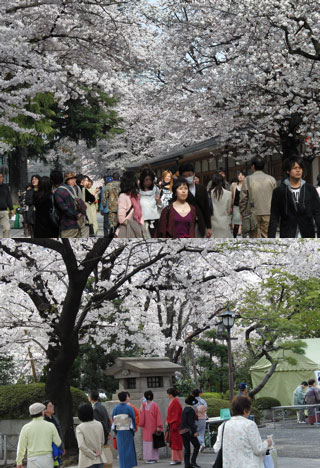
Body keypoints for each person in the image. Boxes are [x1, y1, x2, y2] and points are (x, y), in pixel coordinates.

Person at [213, 396, 271, 468]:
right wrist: (267, 443)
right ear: (245, 410)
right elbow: (258, 449)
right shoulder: (249, 425)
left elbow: (217, 448)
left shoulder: (223, 426)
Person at [268, 157, 320, 238]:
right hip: (287, 233)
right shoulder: (279, 191)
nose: (298, 170)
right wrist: (271, 237)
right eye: (294, 168)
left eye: (300, 168)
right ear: (288, 171)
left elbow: (317, 213)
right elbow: (274, 216)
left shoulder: (310, 189)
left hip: (307, 233)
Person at [239, 156, 276, 238]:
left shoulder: (248, 180)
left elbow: (243, 198)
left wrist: (242, 212)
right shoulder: (271, 179)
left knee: (255, 238)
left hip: (253, 213)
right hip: (268, 212)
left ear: (253, 166)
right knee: (267, 237)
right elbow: (276, 198)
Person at [16, 402, 61, 468]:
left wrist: (19, 462)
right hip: (47, 459)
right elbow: (58, 442)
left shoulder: (26, 428)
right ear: (42, 413)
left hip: (32, 460)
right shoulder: (50, 426)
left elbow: (21, 447)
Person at [179, 163, 212, 238]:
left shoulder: (202, 188)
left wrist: (209, 227)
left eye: (190, 175)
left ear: (194, 174)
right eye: (185, 176)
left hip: (200, 223)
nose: (188, 177)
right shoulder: (180, 189)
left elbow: (206, 208)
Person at [54, 171, 87, 238]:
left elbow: (64, 208)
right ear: (66, 180)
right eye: (71, 179)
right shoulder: (69, 189)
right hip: (75, 222)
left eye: (74, 178)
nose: (73, 180)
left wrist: (78, 214)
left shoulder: (76, 188)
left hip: (69, 224)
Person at [76, 403, 107, 468]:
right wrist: (99, 451)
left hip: (87, 460)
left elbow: (81, 446)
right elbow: (102, 441)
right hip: (100, 458)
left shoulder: (80, 427)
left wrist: (92, 454)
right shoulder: (99, 424)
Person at [112, 391, 137, 468]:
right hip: (128, 431)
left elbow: (113, 420)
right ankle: (129, 465)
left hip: (119, 432)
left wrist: (115, 431)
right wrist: (133, 430)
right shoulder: (129, 408)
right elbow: (133, 418)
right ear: (126, 397)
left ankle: (122, 465)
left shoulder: (115, 408)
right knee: (129, 449)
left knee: (121, 450)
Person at [116, 171, 144, 238]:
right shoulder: (123, 196)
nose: (139, 181)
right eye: (137, 179)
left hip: (137, 230)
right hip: (126, 231)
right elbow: (121, 219)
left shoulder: (136, 196)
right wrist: (135, 226)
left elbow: (141, 214)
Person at [139, 390, 163, 464]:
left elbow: (158, 416)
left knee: (153, 442)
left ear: (148, 396)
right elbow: (140, 412)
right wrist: (141, 403)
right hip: (146, 427)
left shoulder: (155, 405)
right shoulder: (144, 405)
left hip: (153, 426)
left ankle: (153, 457)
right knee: (147, 442)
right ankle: (148, 457)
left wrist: (159, 426)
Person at [139, 168, 162, 238]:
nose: (148, 182)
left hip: (155, 219)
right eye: (146, 180)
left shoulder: (156, 189)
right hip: (143, 221)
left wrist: (158, 200)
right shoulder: (137, 191)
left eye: (150, 180)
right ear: (142, 180)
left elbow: (160, 206)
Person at [180, 395, 200, 468]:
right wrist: (195, 431)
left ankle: (187, 464)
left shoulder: (185, 409)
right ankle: (193, 461)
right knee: (197, 445)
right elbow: (191, 422)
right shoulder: (191, 410)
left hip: (182, 430)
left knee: (187, 448)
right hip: (189, 431)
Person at [210, 173, 232, 238]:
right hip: (224, 222)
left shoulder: (209, 193)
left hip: (213, 223)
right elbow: (228, 209)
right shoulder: (228, 193)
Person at [166, 388, 183, 465]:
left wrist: (169, 420)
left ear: (171, 394)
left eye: (168, 394)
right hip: (173, 423)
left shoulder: (175, 402)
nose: (167, 395)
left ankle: (175, 458)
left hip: (175, 424)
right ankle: (178, 458)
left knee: (175, 442)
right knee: (175, 442)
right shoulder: (175, 401)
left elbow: (175, 414)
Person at [102, 173, 121, 237]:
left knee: (112, 223)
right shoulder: (122, 185)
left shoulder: (108, 185)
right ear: (119, 178)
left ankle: (112, 233)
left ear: (112, 178)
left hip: (111, 206)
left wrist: (104, 205)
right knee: (120, 222)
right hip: (121, 206)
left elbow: (104, 196)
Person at [230, 171, 246, 238]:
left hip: (244, 207)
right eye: (239, 175)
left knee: (245, 223)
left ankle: (244, 238)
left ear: (245, 177)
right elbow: (231, 196)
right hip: (236, 206)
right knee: (236, 222)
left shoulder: (246, 185)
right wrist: (230, 206)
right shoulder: (234, 185)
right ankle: (234, 238)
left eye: (242, 175)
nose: (240, 176)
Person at [0, 172, 14, 237]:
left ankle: (5, 241)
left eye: (1, 177)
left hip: (4, 211)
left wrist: (11, 208)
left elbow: (8, 198)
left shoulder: (5, 187)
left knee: (7, 228)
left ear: (2, 178)